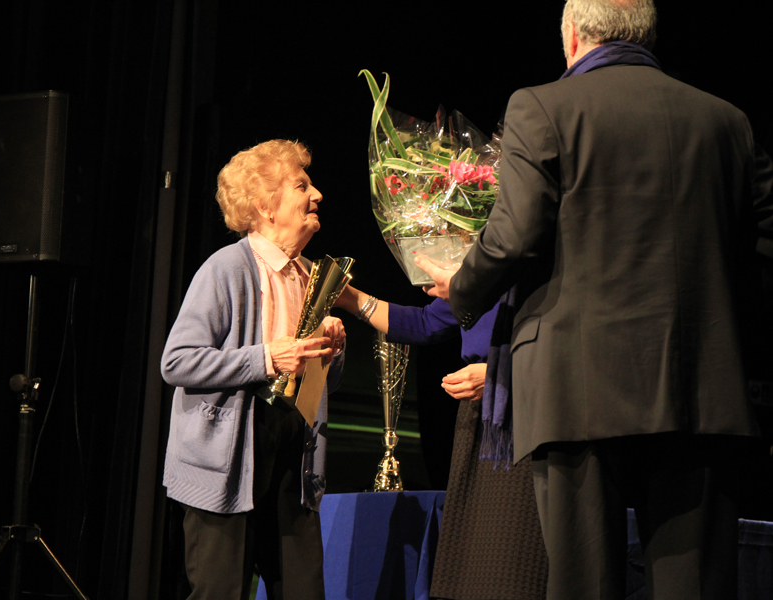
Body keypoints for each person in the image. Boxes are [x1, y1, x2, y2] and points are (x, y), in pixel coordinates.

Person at [415, 0, 773, 598]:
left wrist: (463, 290)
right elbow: (763, 247)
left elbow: (513, 238)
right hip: (702, 385)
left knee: (583, 582)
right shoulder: (726, 120)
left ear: (574, 38)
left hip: (575, 384)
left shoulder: (542, 106)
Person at [160, 139, 346, 600]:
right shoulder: (226, 268)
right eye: (302, 186)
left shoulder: (311, 276)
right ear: (265, 207)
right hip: (229, 453)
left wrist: (331, 353)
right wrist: (266, 358)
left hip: (293, 454)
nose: (317, 194)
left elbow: (322, 387)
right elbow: (177, 361)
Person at [335, 288, 549, 599]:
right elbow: (424, 323)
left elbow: (572, 344)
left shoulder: (532, 274)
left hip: (527, 410)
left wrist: (499, 373)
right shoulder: (481, 281)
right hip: (478, 418)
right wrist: (348, 297)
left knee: (516, 558)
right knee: (476, 560)